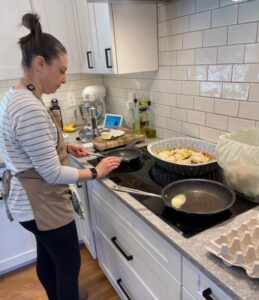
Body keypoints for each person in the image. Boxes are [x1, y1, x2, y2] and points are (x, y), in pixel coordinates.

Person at [0, 13, 120, 300]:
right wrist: (95, 172)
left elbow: (29, 147)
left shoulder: (16, 96)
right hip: (41, 205)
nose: (65, 79)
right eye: (62, 71)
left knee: (49, 257)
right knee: (68, 265)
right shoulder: (28, 106)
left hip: (29, 203)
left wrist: (64, 148)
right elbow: (52, 174)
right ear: (40, 63)